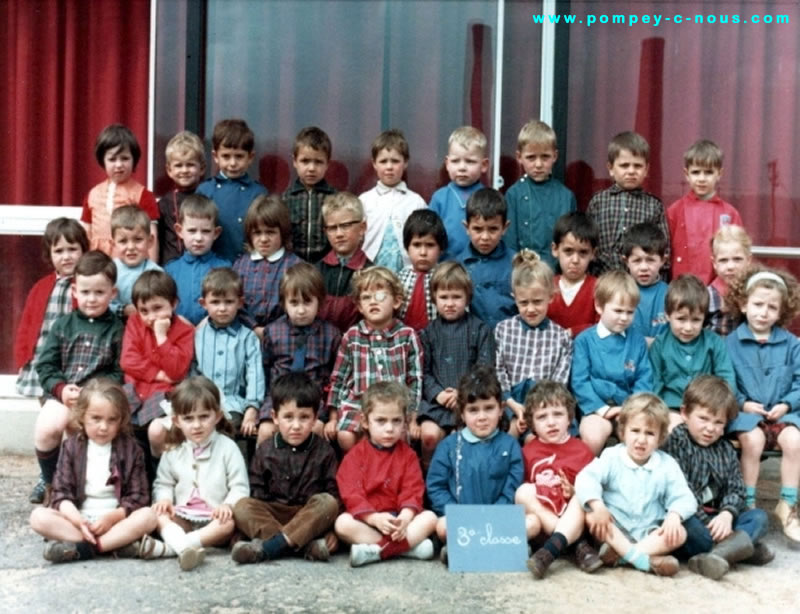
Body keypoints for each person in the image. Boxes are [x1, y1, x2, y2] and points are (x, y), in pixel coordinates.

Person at [29, 379, 156, 563]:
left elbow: (139, 496)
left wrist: (112, 518)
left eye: (112, 420)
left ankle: (88, 548)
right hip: (80, 521)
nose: (103, 427)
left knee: (149, 517)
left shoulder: (132, 449)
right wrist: (78, 520)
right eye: (96, 418)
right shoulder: (71, 448)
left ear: (121, 420)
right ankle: (112, 545)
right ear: (82, 416)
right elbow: (61, 493)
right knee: (38, 518)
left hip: (116, 520)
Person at [33, 251, 124, 507]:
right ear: (74, 290)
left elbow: (120, 371)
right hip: (63, 395)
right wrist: (61, 389)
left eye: (99, 292)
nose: (91, 299)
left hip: (98, 401)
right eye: (85, 292)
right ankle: (51, 482)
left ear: (112, 293)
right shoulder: (63, 325)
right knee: (48, 426)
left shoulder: (117, 329)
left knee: (81, 432)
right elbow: (46, 365)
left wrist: (92, 393)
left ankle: (82, 489)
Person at [663, 375, 773, 580]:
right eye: (703, 419)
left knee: (759, 517)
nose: (710, 428)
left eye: (718, 422)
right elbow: (680, 490)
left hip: (720, 519)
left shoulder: (725, 449)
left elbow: (736, 488)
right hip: (692, 517)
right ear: (685, 413)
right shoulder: (675, 443)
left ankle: (718, 555)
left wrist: (727, 514)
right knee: (691, 531)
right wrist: (709, 525)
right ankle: (738, 549)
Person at [575, 393, 697, 576]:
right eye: (635, 431)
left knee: (679, 533)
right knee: (591, 516)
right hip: (614, 529)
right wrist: (597, 505)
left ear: (660, 437)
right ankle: (644, 561)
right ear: (623, 431)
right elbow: (586, 478)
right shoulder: (611, 456)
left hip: (648, 534)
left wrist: (674, 515)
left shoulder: (667, 464)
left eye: (650, 433)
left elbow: (684, 496)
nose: (641, 440)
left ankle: (624, 556)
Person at [140, 376, 249, 571]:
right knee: (160, 516)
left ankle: (174, 547)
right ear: (176, 421)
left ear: (217, 416)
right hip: (184, 514)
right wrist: (164, 499)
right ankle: (186, 546)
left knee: (227, 524)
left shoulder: (227, 448)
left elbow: (239, 486)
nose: (196, 425)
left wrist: (227, 504)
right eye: (188, 418)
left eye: (203, 417)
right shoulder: (174, 449)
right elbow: (163, 483)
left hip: (214, 517)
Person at [725, 266, 800, 543]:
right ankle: (748, 502)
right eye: (757, 304)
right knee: (752, 441)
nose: (763, 312)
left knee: (795, 440)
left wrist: (787, 403)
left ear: (781, 312)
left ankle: (787, 504)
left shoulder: (792, 344)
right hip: (747, 416)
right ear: (744, 304)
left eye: (772, 307)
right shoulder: (730, 344)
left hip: (784, 413)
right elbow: (726, 381)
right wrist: (742, 404)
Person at [231, 372, 341, 563]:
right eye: (288, 417)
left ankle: (268, 548)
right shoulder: (265, 450)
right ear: (274, 417)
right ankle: (304, 545)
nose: (296, 426)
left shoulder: (325, 451)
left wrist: (331, 530)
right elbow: (257, 493)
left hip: (308, 515)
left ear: (315, 419)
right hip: (274, 514)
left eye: (304, 417)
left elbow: (333, 494)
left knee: (328, 503)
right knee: (242, 507)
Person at [16, 218, 88, 504]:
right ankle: (45, 476)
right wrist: (24, 356)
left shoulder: (85, 286)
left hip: (72, 365)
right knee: (47, 418)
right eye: (59, 251)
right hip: (43, 363)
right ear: (50, 255)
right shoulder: (42, 286)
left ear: (84, 250)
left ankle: (68, 474)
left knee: (69, 422)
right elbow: (28, 323)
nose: (66, 256)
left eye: (73, 249)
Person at [426, 366, 524, 562]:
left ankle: (473, 549)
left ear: (501, 409)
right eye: (473, 410)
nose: (482, 417)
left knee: (532, 524)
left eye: (489, 408)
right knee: (442, 526)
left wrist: (496, 512)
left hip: (498, 518)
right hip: (462, 519)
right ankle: (492, 548)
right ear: (462, 414)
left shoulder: (510, 445)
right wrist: (456, 512)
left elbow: (513, 486)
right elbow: (436, 486)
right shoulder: (449, 446)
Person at [335, 381, 437, 567]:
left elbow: (412, 490)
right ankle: (409, 549)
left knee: (430, 518)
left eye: (396, 421)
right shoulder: (356, 455)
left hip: (399, 522)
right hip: (368, 522)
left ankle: (376, 552)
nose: (389, 429)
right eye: (381, 421)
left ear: (405, 422)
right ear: (365, 421)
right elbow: (352, 494)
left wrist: (405, 518)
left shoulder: (408, 455)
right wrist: (373, 518)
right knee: (342, 524)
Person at [327, 267, 423, 452]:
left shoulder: (407, 335)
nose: (373, 302)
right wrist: (333, 417)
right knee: (345, 435)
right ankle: (360, 472)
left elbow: (415, 379)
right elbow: (338, 378)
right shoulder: (352, 335)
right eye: (366, 297)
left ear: (396, 301)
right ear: (359, 306)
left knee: (400, 437)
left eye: (380, 296)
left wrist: (412, 415)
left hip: (394, 405)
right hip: (358, 403)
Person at [517, 381, 600, 579]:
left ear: (570, 417)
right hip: (544, 524)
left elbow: (595, 490)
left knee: (582, 495)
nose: (551, 422)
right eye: (542, 417)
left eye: (558, 414)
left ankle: (552, 550)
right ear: (531, 423)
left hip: (575, 518)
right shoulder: (527, 452)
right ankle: (576, 545)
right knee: (523, 492)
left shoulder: (582, 450)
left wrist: (573, 491)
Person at [418, 262, 495, 469]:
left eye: (456, 297)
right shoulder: (427, 333)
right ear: (434, 298)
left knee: (459, 440)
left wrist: (462, 393)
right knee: (429, 436)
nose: (450, 303)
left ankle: (456, 480)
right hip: (436, 404)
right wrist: (439, 394)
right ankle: (428, 473)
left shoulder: (479, 329)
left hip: (469, 402)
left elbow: (484, 369)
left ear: (467, 298)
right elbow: (422, 372)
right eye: (444, 297)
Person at [257, 263, 341, 445]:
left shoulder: (331, 334)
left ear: (320, 302)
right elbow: (265, 370)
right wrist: (264, 408)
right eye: (294, 303)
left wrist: (329, 414)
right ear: (283, 303)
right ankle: (262, 470)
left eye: (307, 302)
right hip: (278, 398)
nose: (301, 310)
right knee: (265, 430)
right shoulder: (273, 332)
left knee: (317, 429)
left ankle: (314, 471)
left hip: (314, 401)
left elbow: (336, 378)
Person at [571, 270, 653, 454]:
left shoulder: (637, 341)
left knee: (642, 436)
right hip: (596, 409)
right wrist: (603, 410)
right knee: (593, 435)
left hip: (629, 408)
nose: (624, 317)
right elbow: (580, 381)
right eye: (617, 311)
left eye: (630, 312)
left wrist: (631, 408)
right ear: (599, 306)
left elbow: (644, 378)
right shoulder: (584, 341)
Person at [495, 249, 572, 439]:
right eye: (524, 302)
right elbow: (498, 370)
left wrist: (536, 413)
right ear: (514, 298)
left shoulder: (561, 337)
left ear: (551, 297)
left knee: (534, 439)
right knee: (510, 435)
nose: (530, 309)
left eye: (537, 302)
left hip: (546, 407)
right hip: (510, 403)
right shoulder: (503, 330)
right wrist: (513, 404)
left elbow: (558, 382)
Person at [120, 271, 194, 456]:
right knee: (123, 430)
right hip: (135, 390)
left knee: (155, 430)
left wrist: (162, 338)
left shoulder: (184, 331)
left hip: (164, 394)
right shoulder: (135, 323)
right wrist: (158, 373)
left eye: (157, 308)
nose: (151, 316)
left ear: (174, 303)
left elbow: (177, 372)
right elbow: (128, 360)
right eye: (144, 311)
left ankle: (157, 476)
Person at [649, 274, 735, 430]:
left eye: (696, 320)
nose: (688, 328)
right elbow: (655, 384)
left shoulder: (714, 342)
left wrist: (721, 407)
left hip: (708, 410)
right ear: (668, 315)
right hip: (671, 408)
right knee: (673, 428)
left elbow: (726, 377)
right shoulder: (660, 345)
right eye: (681, 319)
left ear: (704, 318)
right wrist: (658, 411)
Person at [193, 267, 265, 437]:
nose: (222, 308)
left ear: (240, 303)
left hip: (233, 404)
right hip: (199, 403)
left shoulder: (248, 338)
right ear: (204, 304)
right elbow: (191, 370)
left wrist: (251, 408)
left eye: (229, 302)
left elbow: (255, 375)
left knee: (226, 426)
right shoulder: (197, 335)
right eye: (215, 302)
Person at [586, 131, 669, 276]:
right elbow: (586, 244)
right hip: (603, 281)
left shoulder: (654, 206)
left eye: (637, 166)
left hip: (640, 285)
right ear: (611, 169)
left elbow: (663, 250)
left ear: (646, 169)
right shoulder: (598, 202)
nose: (631, 171)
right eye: (624, 166)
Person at [667, 139, 743, 284]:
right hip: (681, 288)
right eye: (696, 172)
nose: (702, 178)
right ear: (686, 174)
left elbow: (737, 254)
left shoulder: (730, 213)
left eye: (708, 172)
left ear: (719, 173)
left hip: (718, 290)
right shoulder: (675, 211)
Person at [81, 124, 159, 259]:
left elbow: (152, 235)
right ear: (102, 161)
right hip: (98, 264)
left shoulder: (143, 195)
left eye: (125, 158)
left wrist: (151, 270)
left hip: (130, 262)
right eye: (112, 159)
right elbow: (86, 233)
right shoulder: (92, 195)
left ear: (134, 159)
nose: (118, 165)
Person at [505, 119, 576, 268]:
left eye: (545, 157)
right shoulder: (513, 195)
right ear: (519, 157)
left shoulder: (565, 196)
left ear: (555, 156)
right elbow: (509, 243)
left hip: (556, 274)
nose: (538, 164)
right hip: (523, 273)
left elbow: (571, 242)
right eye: (531, 157)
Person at [196, 118, 267, 263]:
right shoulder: (205, 191)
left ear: (250, 157)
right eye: (226, 156)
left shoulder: (258, 193)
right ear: (215, 156)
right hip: (212, 266)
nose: (232, 163)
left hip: (249, 266)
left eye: (239, 156)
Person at [233, 195, 302, 339]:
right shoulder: (240, 265)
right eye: (257, 233)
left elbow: (299, 305)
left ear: (282, 233)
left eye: (270, 232)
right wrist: (254, 327)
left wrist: (272, 330)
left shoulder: (296, 266)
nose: (263, 239)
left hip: (285, 337)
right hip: (245, 335)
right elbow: (234, 301)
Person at [359, 129, 426, 271]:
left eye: (395, 161)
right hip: (371, 270)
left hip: (406, 272)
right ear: (374, 163)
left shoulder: (416, 202)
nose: (389, 167)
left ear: (405, 162)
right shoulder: (364, 201)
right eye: (383, 161)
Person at [164, 194, 231, 325]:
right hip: (178, 335)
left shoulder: (225, 268)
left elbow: (231, 303)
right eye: (192, 231)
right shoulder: (170, 271)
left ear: (216, 233)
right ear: (179, 231)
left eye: (205, 231)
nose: (199, 238)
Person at [457, 187, 516, 329]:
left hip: (510, 341)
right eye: (477, 229)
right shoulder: (457, 267)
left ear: (505, 227)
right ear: (466, 227)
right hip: (472, 343)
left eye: (493, 229)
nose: (485, 237)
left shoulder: (517, 263)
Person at [429, 126, 489, 260]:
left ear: (484, 165)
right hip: (446, 268)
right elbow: (429, 236)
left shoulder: (489, 198)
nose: (462, 167)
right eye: (455, 161)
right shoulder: (440, 198)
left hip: (481, 265)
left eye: (470, 161)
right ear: (447, 164)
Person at [316, 192, 371, 332]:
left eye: (346, 225)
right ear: (325, 231)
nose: (339, 234)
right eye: (333, 228)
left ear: (362, 228)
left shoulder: (371, 273)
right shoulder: (316, 271)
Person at [284, 126, 337, 263]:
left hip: (326, 265)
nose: (311, 168)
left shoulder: (335, 199)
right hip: (293, 266)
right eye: (305, 161)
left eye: (318, 162)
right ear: (295, 161)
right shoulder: (285, 199)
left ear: (327, 164)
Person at [546, 212, 599, 336]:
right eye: (568, 251)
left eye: (583, 252)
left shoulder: (599, 288)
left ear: (593, 253)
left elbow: (604, 325)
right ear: (555, 249)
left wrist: (573, 332)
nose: (575, 260)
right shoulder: (546, 287)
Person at [158, 130, 207, 264]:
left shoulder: (208, 198)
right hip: (171, 267)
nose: (184, 170)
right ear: (169, 170)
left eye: (190, 165)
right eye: (178, 165)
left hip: (202, 264)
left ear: (202, 168)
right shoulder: (164, 204)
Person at [397, 209, 447, 330]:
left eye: (430, 245)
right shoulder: (398, 279)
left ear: (441, 248)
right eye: (417, 245)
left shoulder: (447, 278)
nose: (423, 253)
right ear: (406, 247)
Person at [109, 205, 163, 318]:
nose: (131, 247)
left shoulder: (156, 273)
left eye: (138, 240)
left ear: (150, 241)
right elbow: (102, 303)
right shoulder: (109, 270)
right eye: (123, 241)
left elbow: (163, 305)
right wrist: (122, 310)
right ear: (113, 244)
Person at [623, 222, 669, 345]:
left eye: (650, 260)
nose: (643, 267)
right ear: (626, 261)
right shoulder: (620, 292)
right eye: (637, 261)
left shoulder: (670, 294)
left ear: (663, 260)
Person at [707, 224, 752, 336]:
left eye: (737, 259)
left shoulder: (755, 292)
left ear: (748, 260)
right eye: (723, 260)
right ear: (714, 263)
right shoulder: (706, 295)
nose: (730, 266)